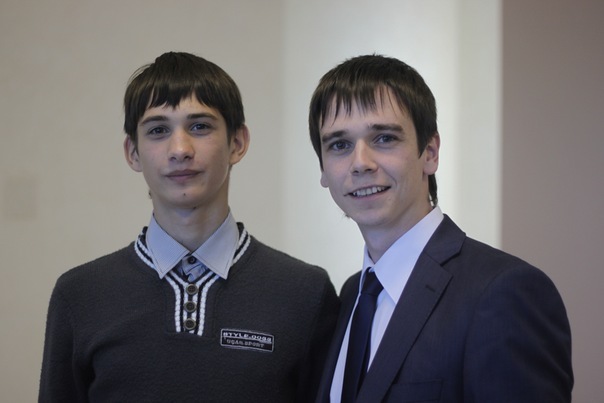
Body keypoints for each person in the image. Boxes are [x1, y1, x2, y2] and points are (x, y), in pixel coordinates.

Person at [39, 51, 339, 402]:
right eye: (158, 130)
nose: (180, 149)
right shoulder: (80, 295)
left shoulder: (305, 293)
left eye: (200, 127)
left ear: (237, 143)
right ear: (133, 152)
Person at [308, 54, 573, 402]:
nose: (361, 163)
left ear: (430, 152)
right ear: (324, 170)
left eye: (384, 138)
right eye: (339, 145)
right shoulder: (349, 296)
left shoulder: (503, 293)